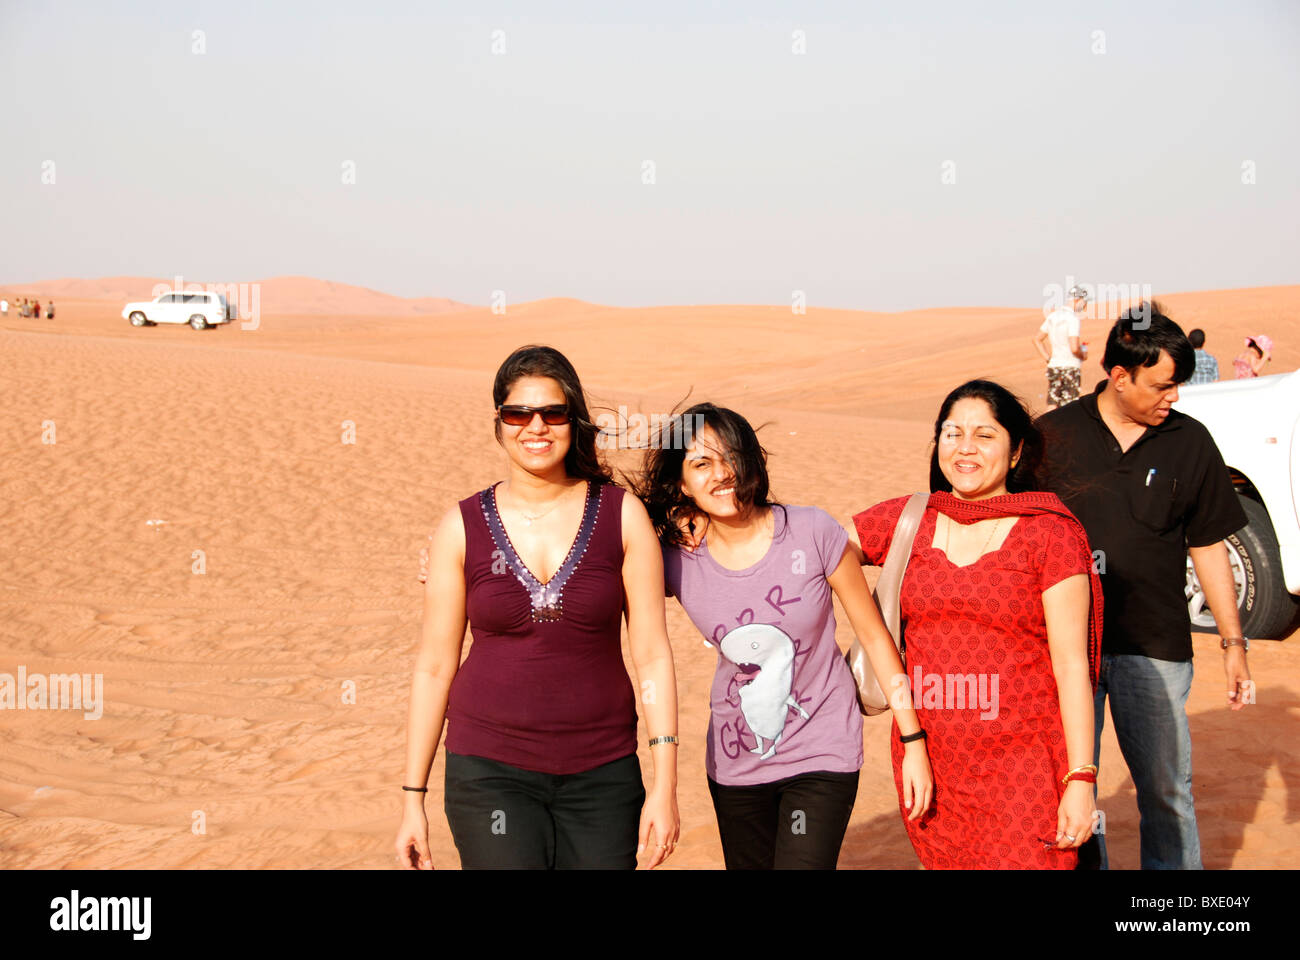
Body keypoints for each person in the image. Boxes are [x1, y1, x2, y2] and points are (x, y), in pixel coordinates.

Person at [398, 344, 680, 870]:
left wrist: (665, 783)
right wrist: (412, 797)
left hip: (604, 772)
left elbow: (653, 656)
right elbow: (434, 667)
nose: (536, 427)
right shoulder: (461, 526)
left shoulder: (622, 516)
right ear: (499, 423)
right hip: (488, 770)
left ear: (573, 421)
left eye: (553, 413)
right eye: (518, 413)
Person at [631, 403, 933, 869]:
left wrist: (913, 739)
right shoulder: (675, 557)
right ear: (681, 483)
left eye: (731, 455)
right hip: (735, 762)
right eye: (701, 464)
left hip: (822, 751)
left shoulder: (812, 531)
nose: (722, 473)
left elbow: (874, 636)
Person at [853, 380, 1103, 869]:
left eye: (985, 436)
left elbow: (1073, 667)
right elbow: (812, 550)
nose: (965, 448)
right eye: (953, 433)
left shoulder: (1049, 533)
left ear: (1015, 453)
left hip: (1024, 765)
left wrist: (1082, 779)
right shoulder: (910, 519)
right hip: (930, 759)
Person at [1037, 303, 1252, 870]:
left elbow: (1207, 544)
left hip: (1154, 652)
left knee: (1167, 794)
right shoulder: (1050, 438)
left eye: (1178, 384)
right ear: (1119, 376)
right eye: (1163, 385)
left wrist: (1234, 643)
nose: (1174, 397)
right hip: (1063, 653)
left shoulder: (1191, 442)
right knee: (1071, 786)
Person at [1034, 283, 1088, 409]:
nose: (1084, 306)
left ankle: (1045, 428)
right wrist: (1083, 354)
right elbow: (1074, 348)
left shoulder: (1053, 316)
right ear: (1077, 300)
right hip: (1070, 366)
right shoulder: (1073, 319)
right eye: (1083, 302)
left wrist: (1048, 359)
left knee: (1052, 402)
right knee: (1070, 405)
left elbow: (1037, 339)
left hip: (1054, 366)